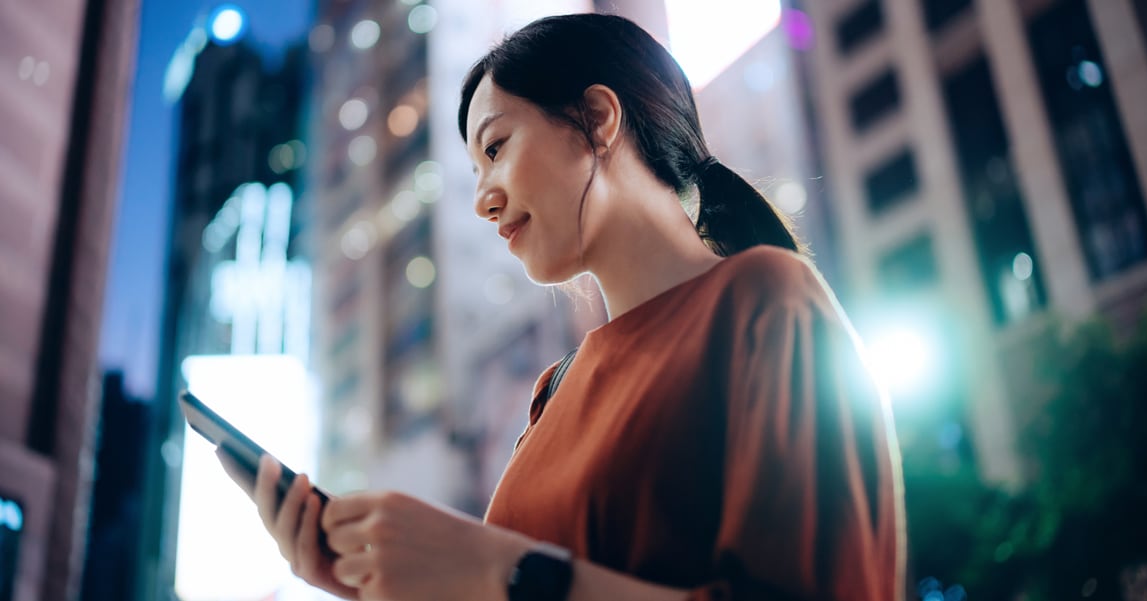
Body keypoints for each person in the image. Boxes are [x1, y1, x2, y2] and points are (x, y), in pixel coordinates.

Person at [219, 12, 906, 601]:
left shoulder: (764, 299)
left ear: (597, 118)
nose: (483, 196)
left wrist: (497, 570)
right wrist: (361, 576)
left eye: (496, 147)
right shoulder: (554, 390)